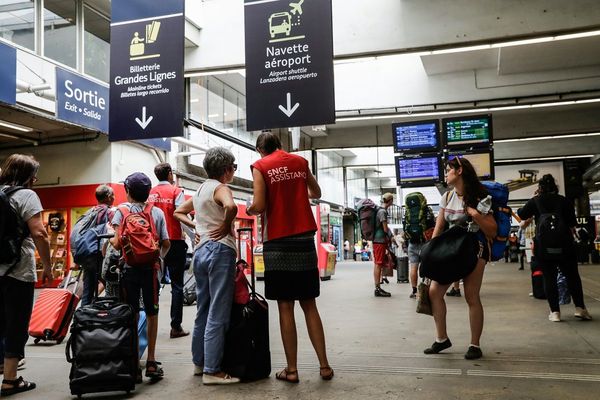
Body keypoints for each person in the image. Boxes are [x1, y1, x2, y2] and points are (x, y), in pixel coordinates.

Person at [247, 132, 333, 383]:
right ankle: (325, 366)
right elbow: (315, 192)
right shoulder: (299, 162)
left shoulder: (260, 166)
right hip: (304, 241)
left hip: (277, 242)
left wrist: (251, 208)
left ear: (260, 150)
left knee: (285, 306)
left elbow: (260, 205)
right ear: (280, 146)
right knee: (309, 304)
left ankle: (292, 370)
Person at [174, 147, 240, 385]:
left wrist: (196, 228)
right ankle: (213, 371)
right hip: (220, 250)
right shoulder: (221, 188)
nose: (234, 171)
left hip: (201, 253)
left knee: (203, 309)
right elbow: (231, 207)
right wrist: (225, 226)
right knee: (218, 312)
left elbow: (178, 212)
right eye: (234, 167)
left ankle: (199, 363)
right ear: (226, 169)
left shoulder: (201, 189)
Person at [424, 157, 497, 360]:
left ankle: (475, 344)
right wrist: (431, 254)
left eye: (448, 170)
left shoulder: (480, 196)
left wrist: (475, 214)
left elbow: (492, 230)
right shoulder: (447, 197)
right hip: (450, 250)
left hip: (474, 249)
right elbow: (439, 228)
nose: (445, 174)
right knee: (434, 293)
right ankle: (442, 339)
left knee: (471, 297)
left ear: (459, 171)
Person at [110, 172, 171, 381]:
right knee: (152, 313)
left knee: (133, 314)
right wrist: (157, 260)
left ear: (127, 191)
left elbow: (117, 243)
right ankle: (152, 362)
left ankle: (134, 364)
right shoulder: (156, 213)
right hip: (150, 271)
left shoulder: (121, 211)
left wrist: (110, 240)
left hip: (129, 270)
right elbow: (166, 243)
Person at [0, 154, 52, 396]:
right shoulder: (26, 195)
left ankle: (3, 363)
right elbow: (39, 233)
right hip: (18, 271)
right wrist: (49, 267)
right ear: (28, 176)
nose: (36, 179)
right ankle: (10, 380)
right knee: (16, 324)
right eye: (34, 174)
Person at [517, 174, 592, 322]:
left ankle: (555, 312)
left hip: (543, 247)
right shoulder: (564, 201)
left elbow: (521, 214)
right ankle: (580, 309)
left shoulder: (536, 201)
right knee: (572, 277)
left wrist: (533, 198)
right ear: (555, 187)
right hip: (565, 245)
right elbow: (572, 224)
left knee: (549, 278)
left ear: (540, 188)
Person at [148, 163, 189, 339]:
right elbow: (181, 215)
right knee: (177, 285)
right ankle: (175, 326)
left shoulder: (149, 193)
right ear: (170, 174)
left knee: (152, 285)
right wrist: (194, 233)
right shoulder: (176, 191)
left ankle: (150, 324)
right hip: (174, 242)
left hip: (152, 244)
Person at [78, 185, 115, 306]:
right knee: (110, 281)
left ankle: (84, 314)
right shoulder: (109, 213)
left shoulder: (90, 212)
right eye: (113, 195)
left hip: (88, 254)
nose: (114, 197)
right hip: (100, 255)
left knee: (88, 288)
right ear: (108, 197)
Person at [372, 193, 394, 297]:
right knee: (378, 264)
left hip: (378, 241)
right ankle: (377, 288)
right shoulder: (382, 212)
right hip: (379, 241)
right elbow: (385, 228)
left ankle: (378, 287)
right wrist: (391, 236)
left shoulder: (379, 210)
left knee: (379, 263)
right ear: (390, 201)